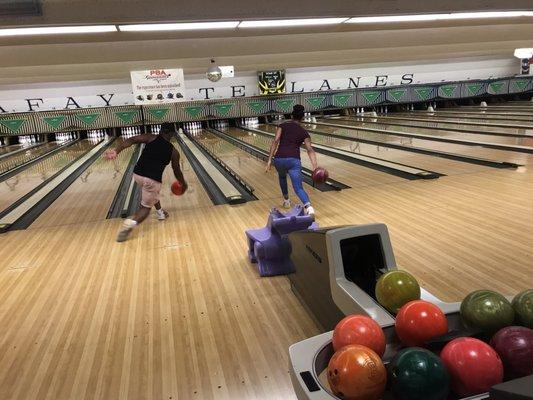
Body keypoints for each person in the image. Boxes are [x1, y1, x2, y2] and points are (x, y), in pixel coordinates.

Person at [104, 122, 187, 242]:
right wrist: (183, 183)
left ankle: (160, 213)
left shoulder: (150, 137)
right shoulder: (174, 152)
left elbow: (132, 139)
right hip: (152, 180)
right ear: (172, 134)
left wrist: (116, 150)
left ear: (160, 131)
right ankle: (130, 224)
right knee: (145, 209)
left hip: (137, 174)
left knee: (152, 193)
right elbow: (176, 170)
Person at [265, 104, 317, 216]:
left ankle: (287, 201)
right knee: (298, 187)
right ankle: (309, 207)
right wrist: (315, 166)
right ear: (302, 117)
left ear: (292, 115)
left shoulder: (282, 126)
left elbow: (275, 141)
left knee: (282, 176)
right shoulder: (304, 132)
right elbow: (310, 150)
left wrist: (269, 160)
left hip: (279, 159)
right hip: (293, 161)